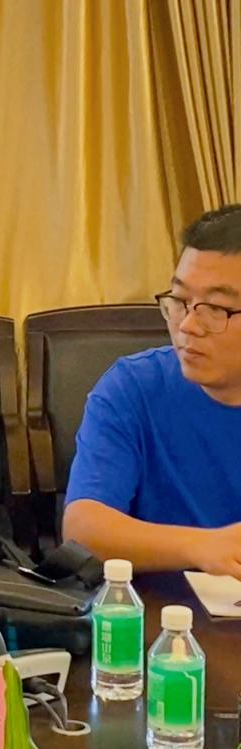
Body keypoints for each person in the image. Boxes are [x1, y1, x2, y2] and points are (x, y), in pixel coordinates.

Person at [63, 204, 241, 576]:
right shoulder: (134, 388)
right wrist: (204, 547)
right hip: (157, 607)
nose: (188, 325)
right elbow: (83, 530)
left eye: (215, 308)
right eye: (179, 301)